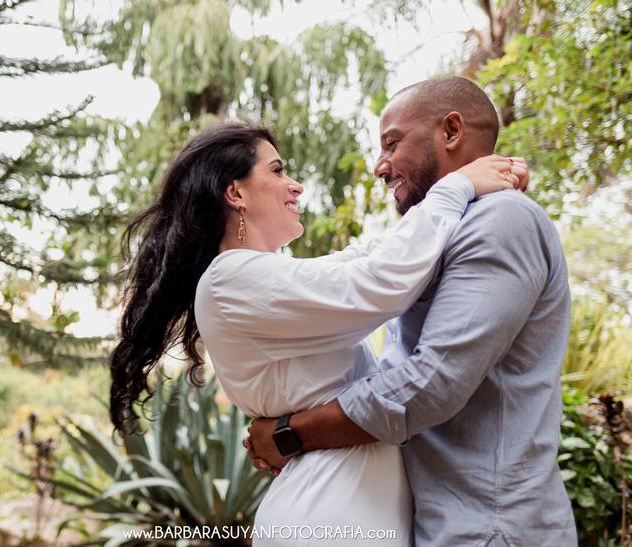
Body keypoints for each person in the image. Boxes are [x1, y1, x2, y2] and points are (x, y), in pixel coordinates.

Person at [109, 110, 526, 544]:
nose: (296, 186)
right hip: (327, 516)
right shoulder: (228, 279)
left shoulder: (261, 277)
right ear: (235, 192)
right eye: (277, 170)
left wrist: (490, 177)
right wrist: (457, 187)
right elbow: (378, 281)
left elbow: (367, 257)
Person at [245, 76, 578, 546]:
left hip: (490, 528)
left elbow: (432, 381)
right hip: (445, 523)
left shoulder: (503, 221)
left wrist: (290, 435)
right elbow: (363, 276)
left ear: (451, 131)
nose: (380, 167)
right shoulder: (443, 230)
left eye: (391, 143)